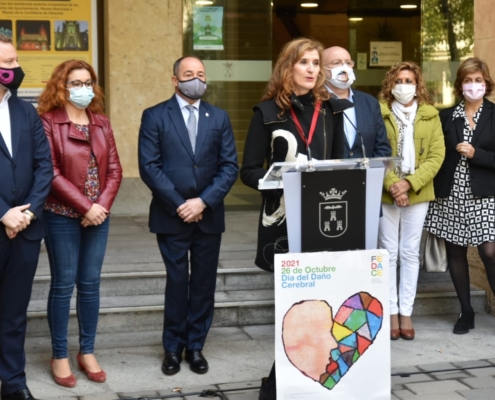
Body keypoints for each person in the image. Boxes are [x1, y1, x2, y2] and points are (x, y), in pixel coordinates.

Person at [240, 37, 350, 400]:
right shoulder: (266, 112)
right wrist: (281, 177)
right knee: (295, 309)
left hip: (325, 222)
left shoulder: (331, 110)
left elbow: (343, 166)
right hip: (282, 225)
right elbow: (248, 171)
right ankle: (282, 384)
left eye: (316, 63)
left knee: (318, 306)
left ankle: (286, 384)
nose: (311, 69)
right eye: (304, 62)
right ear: (288, 67)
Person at [138, 56, 238, 376]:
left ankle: (195, 346)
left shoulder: (218, 117)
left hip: (208, 216)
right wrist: (182, 204)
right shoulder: (155, 116)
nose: (196, 79)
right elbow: (149, 166)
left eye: (201, 74)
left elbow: (228, 166)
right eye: (189, 74)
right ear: (175, 79)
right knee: (178, 282)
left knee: (204, 283)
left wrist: (203, 202)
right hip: (172, 215)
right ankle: (172, 347)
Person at [37, 60, 122, 387]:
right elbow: (51, 171)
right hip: (61, 214)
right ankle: (60, 355)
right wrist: (86, 206)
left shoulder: (101, 122)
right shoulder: (48, 122)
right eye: (75, 82)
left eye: (87, 82)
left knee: (90, 284)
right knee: (63, 285)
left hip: (98, 215)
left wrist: (100, 206)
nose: (83, 88)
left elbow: (115, 169)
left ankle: (86, 351)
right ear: (62, 86)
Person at [424, 57, 495, 335]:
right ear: (459, 85)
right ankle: (466, 311)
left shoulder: (493, 114)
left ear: (486, 83)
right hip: (451, 194)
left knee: (490, 251)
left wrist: (478, 155)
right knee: (456, 251)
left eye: (478, 80)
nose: (473, 85)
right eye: (468, 80)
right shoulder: (446, 116)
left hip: (485, 195)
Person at [0, 34, 52, 400]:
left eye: (16, 61)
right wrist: (3, 213)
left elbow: (44, 167)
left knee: (15, 313)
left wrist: (27, 212)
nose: (16, 69)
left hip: (26, 229)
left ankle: (13, 383)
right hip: (3, 221)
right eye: (8, 63)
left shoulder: (26, 110)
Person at [377, 61, 445, 341]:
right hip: (386, 191)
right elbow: (376, 151)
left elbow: (436, 156)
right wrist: (395, 186)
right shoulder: (379, 113)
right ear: (390, 84)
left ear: (418, 85)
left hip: (418, 192)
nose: (404, 85)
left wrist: (410, 184)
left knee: (409, 253)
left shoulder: (431, 115)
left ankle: (406, 311)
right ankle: (391, 311)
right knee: (388, 253)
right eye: (399, 80)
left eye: (409, 80)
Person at [322, 46, 391, 159]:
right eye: (336, 62)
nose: (344, 67)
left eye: (348, 62)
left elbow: (382, 148)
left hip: (365, 175)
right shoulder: (314, 102)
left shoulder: (370, 103)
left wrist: (372, 174)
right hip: (328, 175)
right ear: (321, 69)